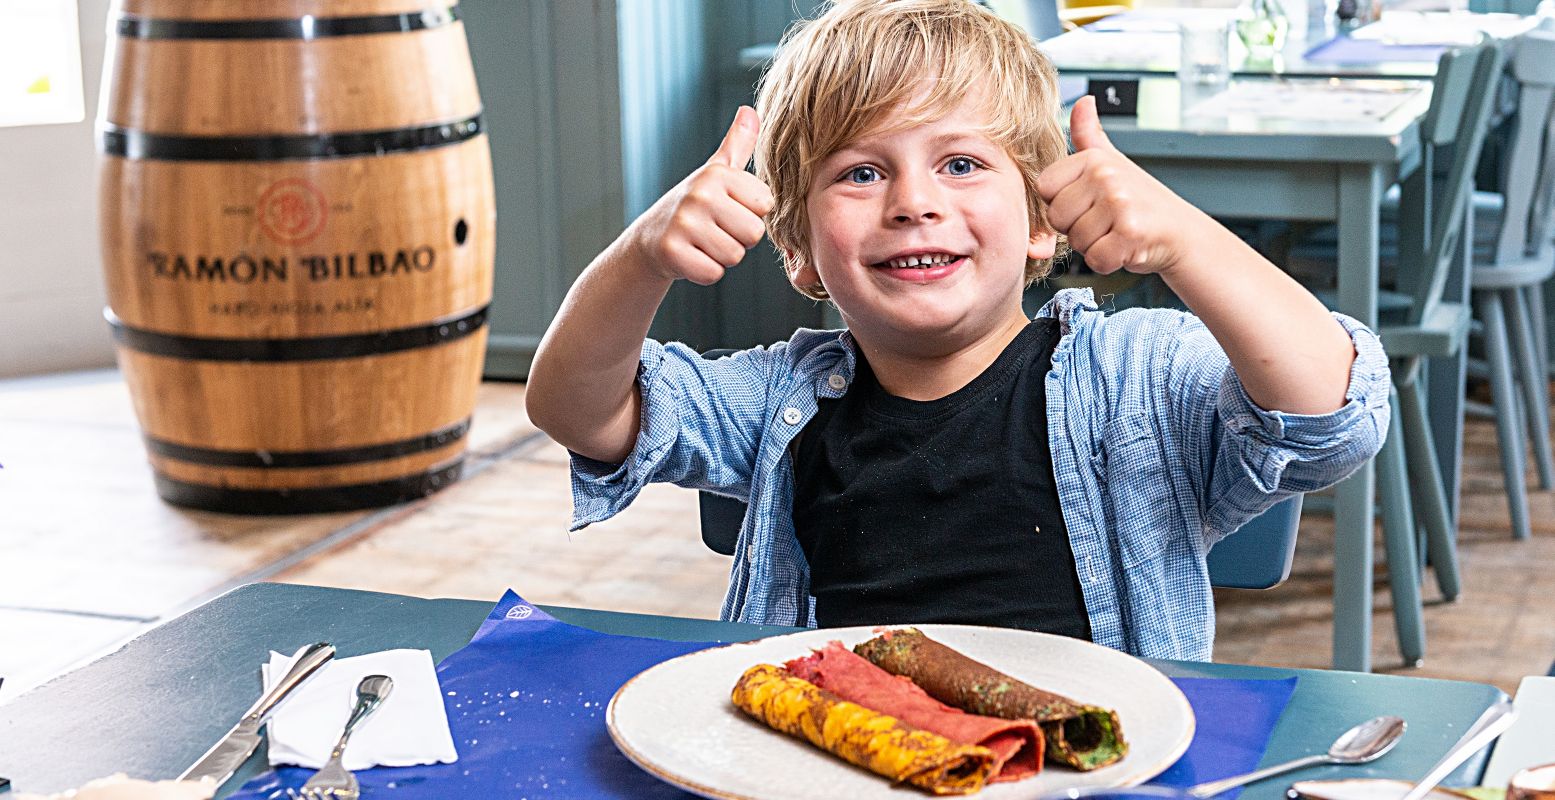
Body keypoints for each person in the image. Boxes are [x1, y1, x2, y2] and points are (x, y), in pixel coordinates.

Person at [525, 0, 1389, 661]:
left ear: (1042, 220)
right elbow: (579, 411)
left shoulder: (1135, 376)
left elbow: (1332, 415)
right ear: (799, 253)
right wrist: (641, 256)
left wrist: (1184, 238)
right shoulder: (773, 397)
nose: (913, 201)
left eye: (962, 163)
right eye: (860, 173)